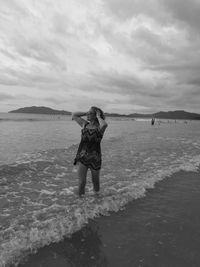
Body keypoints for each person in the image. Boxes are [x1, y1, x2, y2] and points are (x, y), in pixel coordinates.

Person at [72, 106, 108, 196]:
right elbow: (74, 115)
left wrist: (99, 116)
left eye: (90, 113)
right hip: (83, 156)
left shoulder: (100, 128)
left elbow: (104, 124)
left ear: (96, 115)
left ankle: (97, 200)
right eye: (88, 113)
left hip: (95, 158)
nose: (88, 115)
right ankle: (81, 203)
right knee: (81, 182)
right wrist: (87, 112)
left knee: (95, 182)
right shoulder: (85, 124)